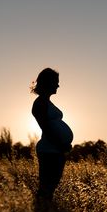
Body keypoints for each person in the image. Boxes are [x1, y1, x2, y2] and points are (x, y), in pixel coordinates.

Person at [31, 67, 73, 200]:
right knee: (46, 188)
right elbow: (46, 128)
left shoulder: (47, 102)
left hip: (55, 149)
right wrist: (61, 145)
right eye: (56, 81)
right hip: (49, 150)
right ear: (48, 82)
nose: (58, 85)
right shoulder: (40, 103)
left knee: (50, 187)